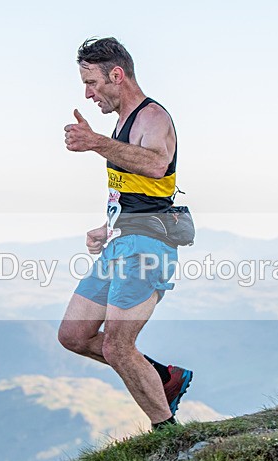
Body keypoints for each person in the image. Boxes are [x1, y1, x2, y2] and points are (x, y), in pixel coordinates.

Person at [58, 37, 193, 431]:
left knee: (118, 346)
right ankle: (162, 377)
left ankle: (166, 434)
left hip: (148, 247)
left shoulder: (152, 118)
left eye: (93, 83)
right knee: (74, 334)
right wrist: (107, 226)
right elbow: (142, 191)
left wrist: (95, 143)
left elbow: (155, 165)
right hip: (122, 240)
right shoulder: (121, 122)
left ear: (116, 75)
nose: (88, 93)